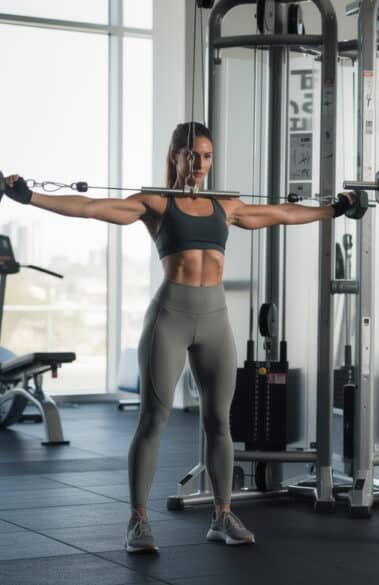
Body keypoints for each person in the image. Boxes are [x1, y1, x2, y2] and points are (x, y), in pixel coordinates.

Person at [1, 122, 354, 553]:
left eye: (207, 157)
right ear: (175, 157)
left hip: (216, 318)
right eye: (192, 156)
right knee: (154, 419)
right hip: (171, 315)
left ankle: (223, 514)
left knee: (220, 422)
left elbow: (282, 213)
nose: (200, 165)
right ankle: (138, 521)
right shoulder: (155, 203)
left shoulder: (226, 205)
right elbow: (92, 206)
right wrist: (30, 196)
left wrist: (333, 210)